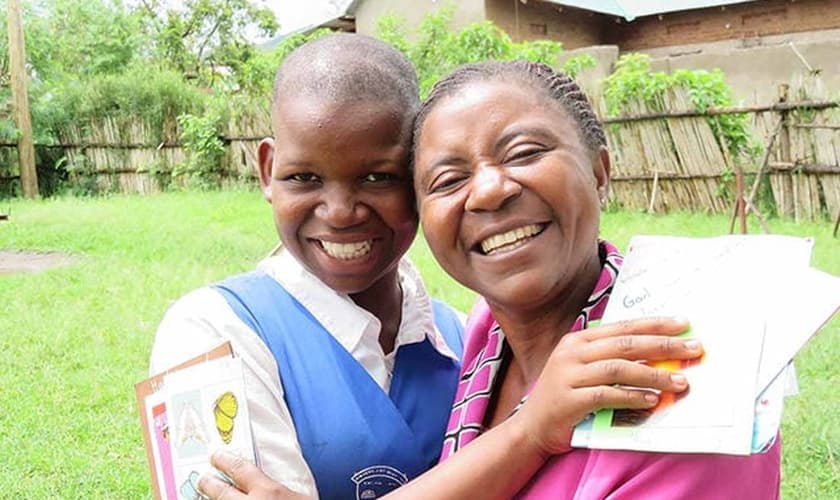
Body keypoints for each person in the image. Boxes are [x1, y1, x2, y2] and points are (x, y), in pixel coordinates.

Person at [154, 35, 702, 500]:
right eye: (304, 178)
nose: (341, 212)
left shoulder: (460, 337)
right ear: (269, 170)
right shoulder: (208, 337)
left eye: (378, 177)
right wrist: (529, 430)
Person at [402, 60, 782, 498]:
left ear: (599, 172)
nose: (489, 190)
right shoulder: (486, 331)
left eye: (524, 153)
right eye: (449, 180)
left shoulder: (691, 374)